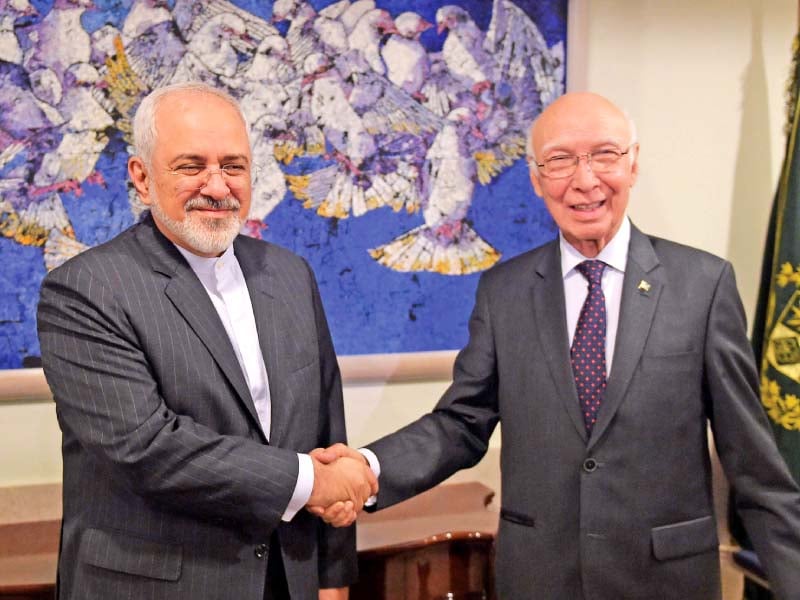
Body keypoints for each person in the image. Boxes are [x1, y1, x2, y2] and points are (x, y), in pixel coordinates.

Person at [314, 92, 800, 599]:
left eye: (604, 155)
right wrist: (366, 469)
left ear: (633, 164)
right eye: (561, 160)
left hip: (666, 582)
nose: (584, 181)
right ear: (536, 178)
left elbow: (755, 465)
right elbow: (461, 424)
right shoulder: (504, 291)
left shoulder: (703, 285)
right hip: (539, 579)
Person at [37, 81, 377, 600]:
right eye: (191, 166)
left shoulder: (290, 275)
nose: (217, 186)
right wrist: (311, 481)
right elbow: (148, 448)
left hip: (288, 581)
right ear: (142, 178)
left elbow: (326, 424)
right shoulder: (85, 290)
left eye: (234, 166)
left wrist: (332, 578)